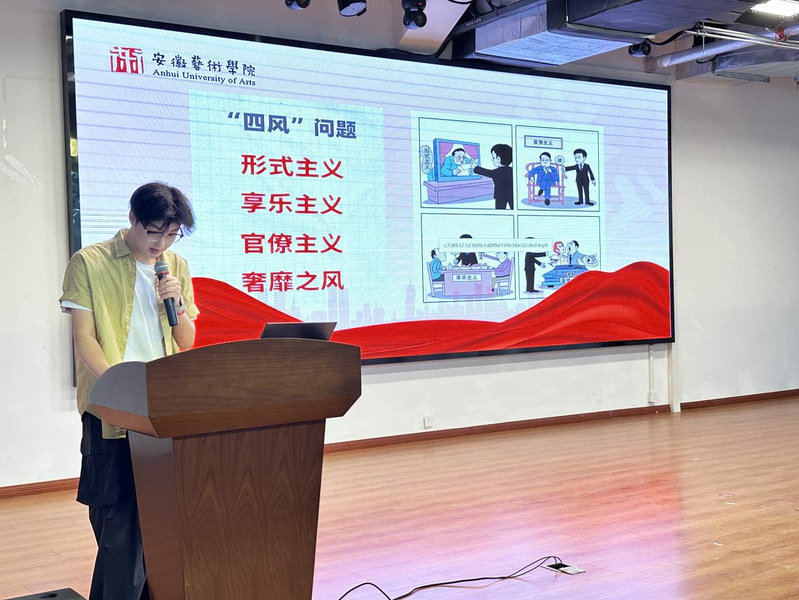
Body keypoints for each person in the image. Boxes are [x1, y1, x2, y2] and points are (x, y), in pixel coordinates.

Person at [59, 182, 198, 600]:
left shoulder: (175, 266)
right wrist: (117, 391)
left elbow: (186, 340)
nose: (161, 243)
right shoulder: (89, 262)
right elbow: (84, 338)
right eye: (154, 231)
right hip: (113, 408)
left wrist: (175, 302)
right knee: (118, 525)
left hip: (162, 407)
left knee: (161, 526)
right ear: (133, 218)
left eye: (171, 234)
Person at [474, 143, 513, 210]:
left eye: (493, 157)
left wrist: (475, 167)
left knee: (499, 211)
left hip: (500, 196)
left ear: (498, 159)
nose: (492, 159)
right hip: (512, 195)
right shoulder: (512, 170)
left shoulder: (496, 172)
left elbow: (485, 172)